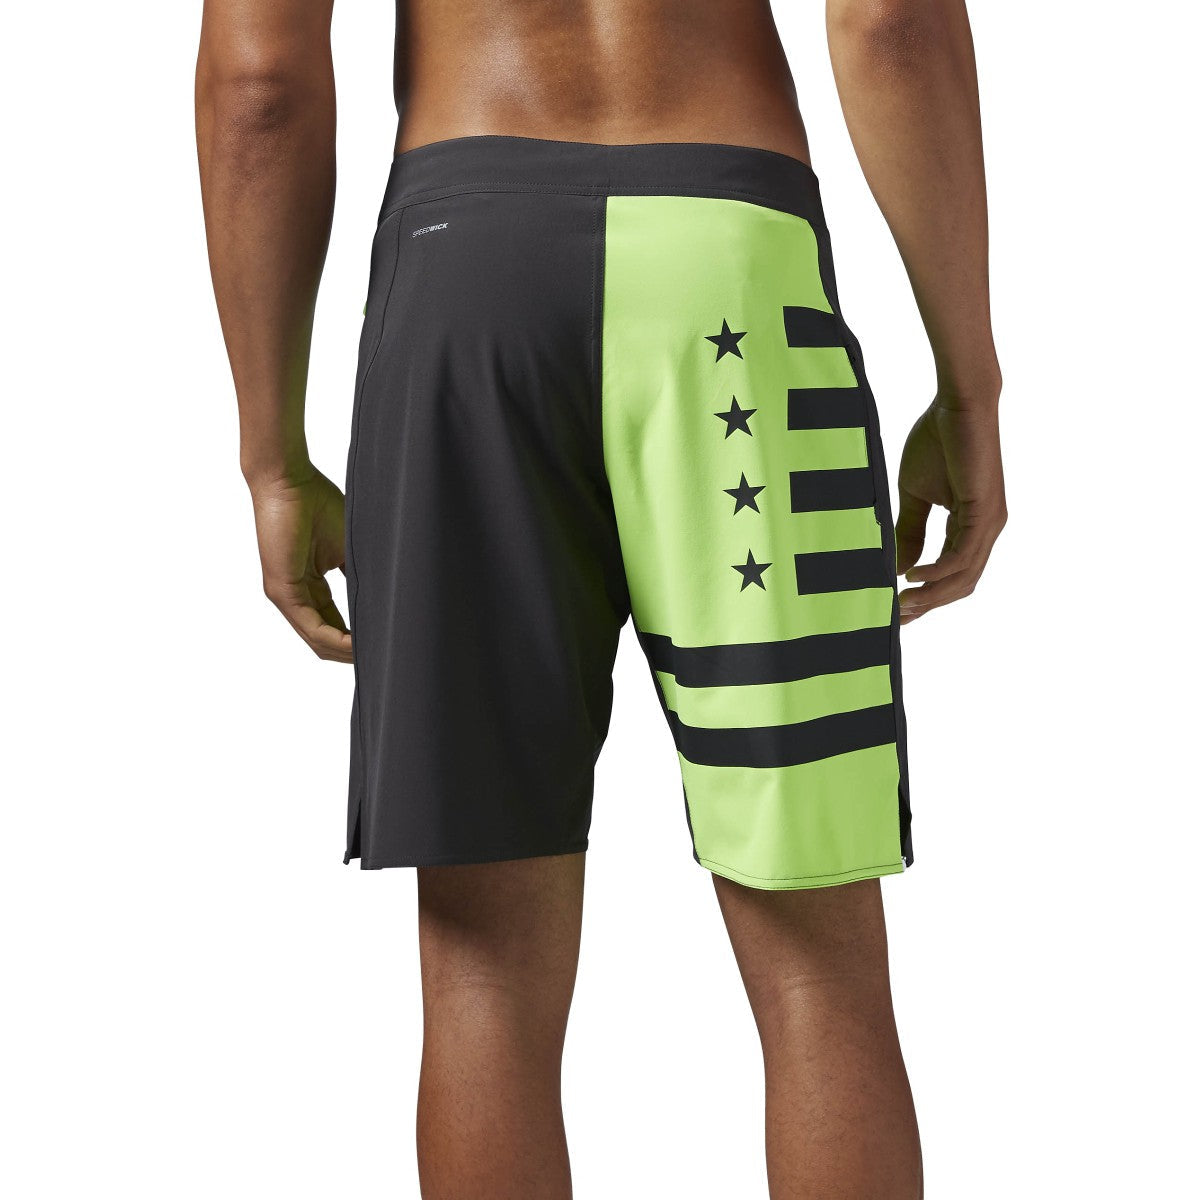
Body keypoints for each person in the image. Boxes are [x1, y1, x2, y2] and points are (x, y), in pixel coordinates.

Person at [196, 0, 1004, 1194]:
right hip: (739, 283)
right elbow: (891, 22)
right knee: (818, 962)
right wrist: (971, 386)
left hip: (463, 284)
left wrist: (272, 455)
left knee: (484, 966)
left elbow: (258, 80)